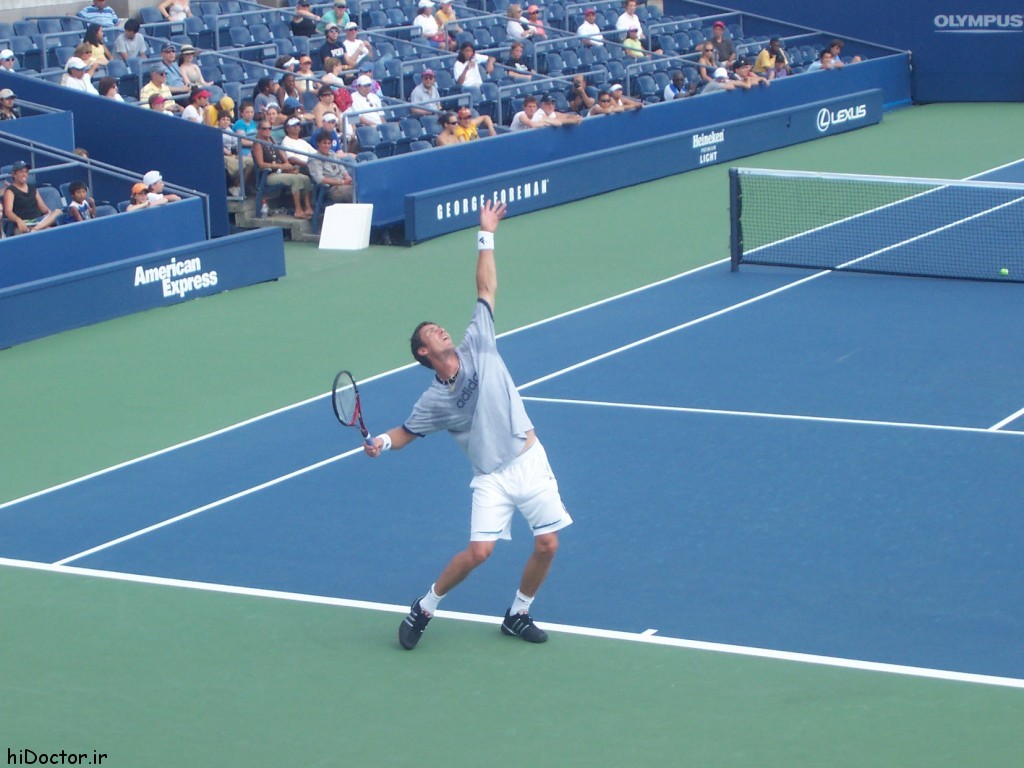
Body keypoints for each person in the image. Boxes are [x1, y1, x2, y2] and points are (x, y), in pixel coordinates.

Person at [366, 200, 572, 651]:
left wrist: (486, 234)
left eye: (440, 327)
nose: (442, 330)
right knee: (479, 552)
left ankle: (518, 614)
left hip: (528, 459)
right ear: (423, 353)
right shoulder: (434, 401)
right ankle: (425, 607)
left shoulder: (478, 341)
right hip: (491, 478)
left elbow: (485, 287)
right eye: (431, 333)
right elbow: (406, 433)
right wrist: (381, 441)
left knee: (548, 544)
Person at [251, 120, 315, 219]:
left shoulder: (272, 139)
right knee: (295, 180)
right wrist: (281, 166)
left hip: (279, 172)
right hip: (268, 175)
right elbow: (261, 164)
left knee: (305, 178)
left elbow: (281, 153)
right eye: (264, 129)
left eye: (269, 128)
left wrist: (288, 165)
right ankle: (298, 210)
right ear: (259, 130)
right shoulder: (257, 144)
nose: (267, 131)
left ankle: (308, 208)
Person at [3, 161, 61, 234]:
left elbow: (44, 209)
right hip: (24, 223)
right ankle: (37, 229)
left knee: (58, 212)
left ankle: (35, 229)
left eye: (26, 172)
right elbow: (8, 211)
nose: (24, 174)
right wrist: (18, 220)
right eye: (21, 172)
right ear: (14, 174)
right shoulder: (10, 190)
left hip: (38, 221)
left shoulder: (32, 188)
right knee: (47, 229)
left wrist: (49, 214)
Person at [307, 132, 353, 203]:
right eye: (324, 143)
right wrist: (341, 182)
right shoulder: (314, 159)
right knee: (354, 192)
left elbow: (341, 167)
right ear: (318, 143)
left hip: (343, 183)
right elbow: (320, 179)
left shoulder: (332, 154)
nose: (327, 146)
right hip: (331, 189)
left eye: (329, 143)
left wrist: (348, 177)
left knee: (363, 187)